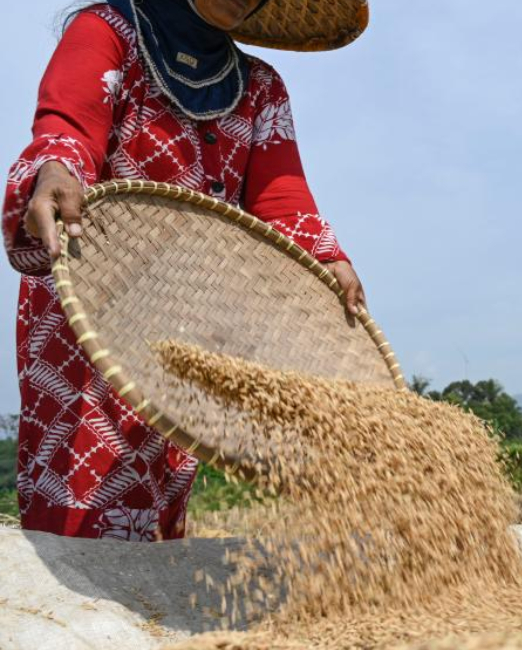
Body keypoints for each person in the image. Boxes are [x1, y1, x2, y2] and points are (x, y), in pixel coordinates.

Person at [2, 0, 370, 541]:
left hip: (189, 314)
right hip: (91, 299)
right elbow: (68, 126)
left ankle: (143, 613)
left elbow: (282, 200)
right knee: (81, 490)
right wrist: (57, 169)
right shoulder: (107, 32)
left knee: (164, 477)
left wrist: (328, 257)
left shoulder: (260, 87)